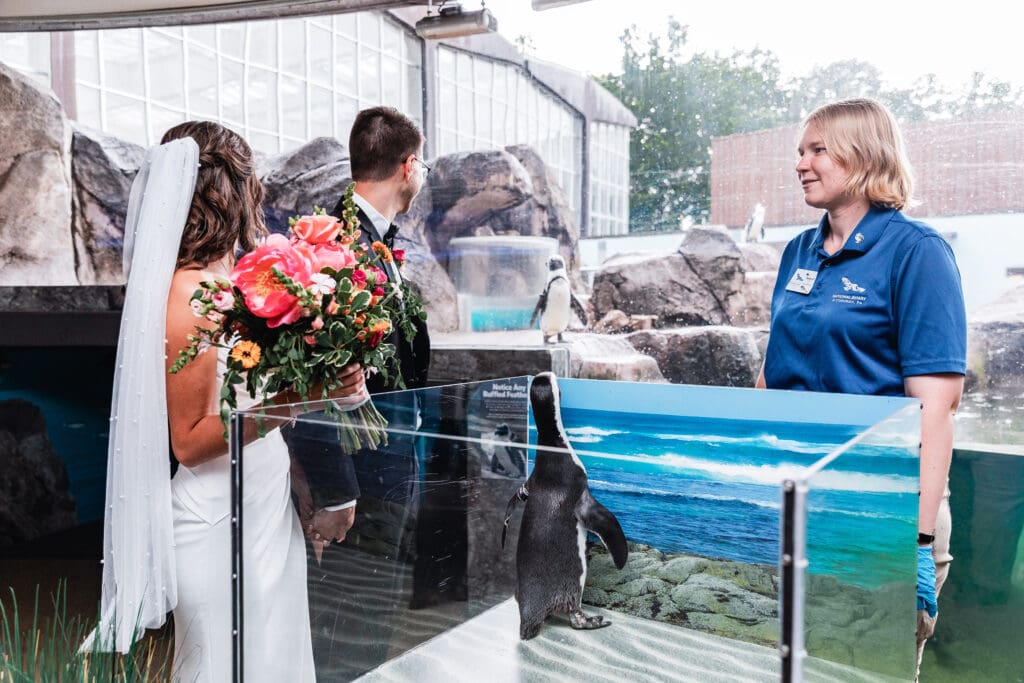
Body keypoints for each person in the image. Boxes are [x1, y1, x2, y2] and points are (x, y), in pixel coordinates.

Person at [88, 120, 366, 682]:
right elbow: (190, 440)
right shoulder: (187, 294)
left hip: (265, 509)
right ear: (230, 191)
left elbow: (254, 405)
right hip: (218, 524)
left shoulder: (239, 283)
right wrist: (304, 395)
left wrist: (302, 484)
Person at [756, 98, 967, 680]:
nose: (802, 163)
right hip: (802, 502)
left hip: (886, 508)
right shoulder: (798, 251)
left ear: (865, 155)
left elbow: (936, 410)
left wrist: (918, 542)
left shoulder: (916, 253)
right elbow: (771, 378)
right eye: (800, 151)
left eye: (818, 150)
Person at [283, 105, 432, 679]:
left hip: (388, 467)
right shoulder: (337, 246)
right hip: (358, 480)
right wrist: (336, 494)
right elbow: (312, 381)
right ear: (408, 165)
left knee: (371, 615)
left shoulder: (377, 241)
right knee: (349, 622)